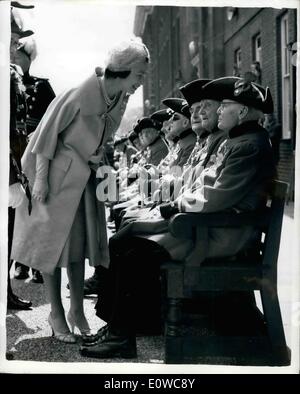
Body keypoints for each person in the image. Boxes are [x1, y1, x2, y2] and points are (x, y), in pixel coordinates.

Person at [79, 76, 275, 359]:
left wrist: (173, 207)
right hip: (208, 228)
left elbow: (216, 196)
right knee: (126, 242)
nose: (219, 110)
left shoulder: (247, 145)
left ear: (242, 112)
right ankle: (118, 329)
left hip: (218, 235)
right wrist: (174, 204)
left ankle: (122, 334)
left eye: (224, 106)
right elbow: (201, 187)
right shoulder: (240, 141)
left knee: (131, 250)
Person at [11, 38, 150, 343]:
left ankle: (77, 310)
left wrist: (98, 154)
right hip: (53, 174)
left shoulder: (119, 99)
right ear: (124, 70)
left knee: (77, 245)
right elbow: (44, 139)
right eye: (139, 75)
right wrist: (42, 182)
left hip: (82, 177)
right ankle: (56, 314)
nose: (141, 82)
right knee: (50, 245)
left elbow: (100, 138)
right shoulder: (77, 94)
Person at [13, 40, 56, 284]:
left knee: (38, 207)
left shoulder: (42, 86)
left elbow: (53, 118)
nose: (16, 60)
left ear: (30, 58)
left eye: (20, 56)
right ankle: (21, 262)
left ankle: (38, 263)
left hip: (36, 150)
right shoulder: (8, 81)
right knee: (20, 207)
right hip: (15, 151)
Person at [7, 9, 34, 310]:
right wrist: (12, 175)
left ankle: (6, 291)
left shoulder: (11, 71)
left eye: (17, 39)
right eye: (11, 37)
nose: (15, 44)